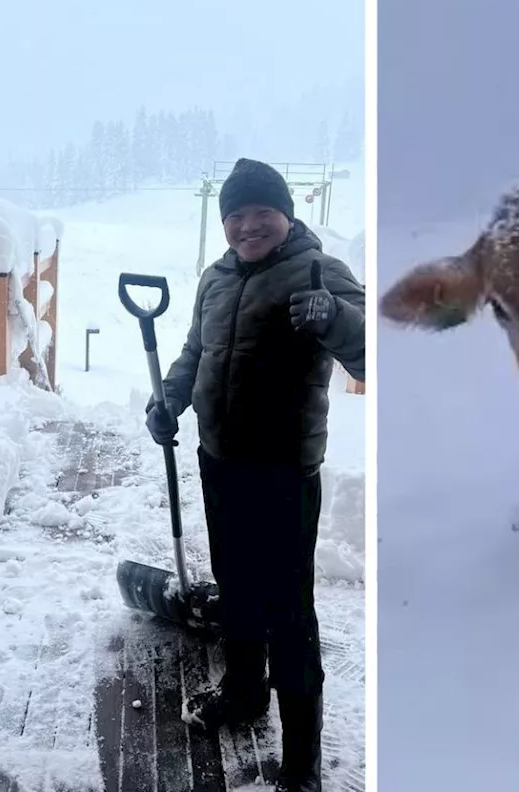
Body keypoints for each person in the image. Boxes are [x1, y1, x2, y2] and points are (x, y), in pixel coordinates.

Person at [145, 158, 365, 792]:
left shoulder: (320, 272)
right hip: (220, 460)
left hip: (283, 471)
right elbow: (194, 353)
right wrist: (168, 401)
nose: (247, 226)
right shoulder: (214, 281)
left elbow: (368, 355)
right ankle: (244, 692)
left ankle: (302, 762)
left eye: (260, 213)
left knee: (290, 613)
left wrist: (333, 317)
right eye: (234, 216)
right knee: (237, 589)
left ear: (286, 214)